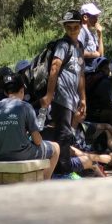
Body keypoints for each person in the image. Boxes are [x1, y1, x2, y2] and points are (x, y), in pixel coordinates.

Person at [38, 10, 86, 172]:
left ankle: (62, 168)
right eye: (69, 27)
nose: (72, 30)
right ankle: (63, 171)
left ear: (81, 26)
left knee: (66, 134)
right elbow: (54, 68)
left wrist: (83, 99)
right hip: (61, 96)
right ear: (64, 27)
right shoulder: (63, 45)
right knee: (64, 134)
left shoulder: (80, 47)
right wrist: (49, 95)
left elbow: (80, 74)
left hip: (72, 98)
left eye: (75, 27)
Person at [0, 73, 60, 180]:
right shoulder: (26, 106)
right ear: (22, 90)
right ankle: (45, 182)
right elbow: (37, 141)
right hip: (20, 153)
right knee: (56, 147)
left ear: (5, 92)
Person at [86, 56, 112, 134]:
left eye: (108, 68)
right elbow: (107, 104)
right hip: (92, 112)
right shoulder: (103, 81)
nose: (108, 71)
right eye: (105, 68)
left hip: (99, 110)